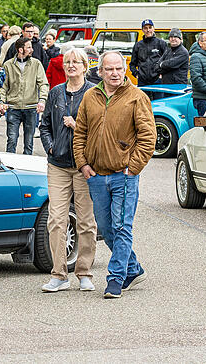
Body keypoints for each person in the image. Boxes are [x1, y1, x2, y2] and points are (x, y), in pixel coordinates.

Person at [73, 50, 156, 299]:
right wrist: (83, 164)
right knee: (107, 228)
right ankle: (133, 268)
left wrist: (133, 168)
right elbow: (80, 133)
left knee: (122, 226)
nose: (114, 73)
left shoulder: (136, 97)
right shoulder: (90, 96)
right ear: (100, 71)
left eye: (118, 68)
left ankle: (115, 277)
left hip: (124, 176)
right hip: (96, 176)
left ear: (125, 68)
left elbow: (148, 136)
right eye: (109, 69)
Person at [39, 47, 97, 293]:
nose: (71, 65)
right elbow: (44, 127)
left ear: (85, 66)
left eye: (76, 62)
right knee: (56, 220)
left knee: (86, 221)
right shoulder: (55, 93)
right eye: (68, 62)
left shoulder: (94, 93)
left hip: (84, 165)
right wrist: (51, 148)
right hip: (59, 165)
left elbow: (100, 129)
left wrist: (77, 125)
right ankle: (59, 274)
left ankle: (84, 272)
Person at [0, 37, 48, 155]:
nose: (32, 49)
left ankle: (27, 167)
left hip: (30, 108)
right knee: (11, 140)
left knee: (29, 142)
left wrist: (42, 100)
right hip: (13, 108)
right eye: (29, 47)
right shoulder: (8, 65)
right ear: (20, 50)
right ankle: (9, 165)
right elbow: (3, 87)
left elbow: (43, 84)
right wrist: (1, 102)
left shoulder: (36, 64)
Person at [130, 19, 168, 86]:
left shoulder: (161, 43)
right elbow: (132, 64)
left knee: (160, 97)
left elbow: (167, 61)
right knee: (143, 97)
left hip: (158, 80)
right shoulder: (138, 45)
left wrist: (162, 74)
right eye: (145, 28)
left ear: (154, 29)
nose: (148, 30)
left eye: (150, 28)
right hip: (142, 81)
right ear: (142, 30)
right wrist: (136, 74)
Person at [188, 32, 206, 116]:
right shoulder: (196, 57)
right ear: (200, 43)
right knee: (205, 125)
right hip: (203, 99)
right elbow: (196, 78)